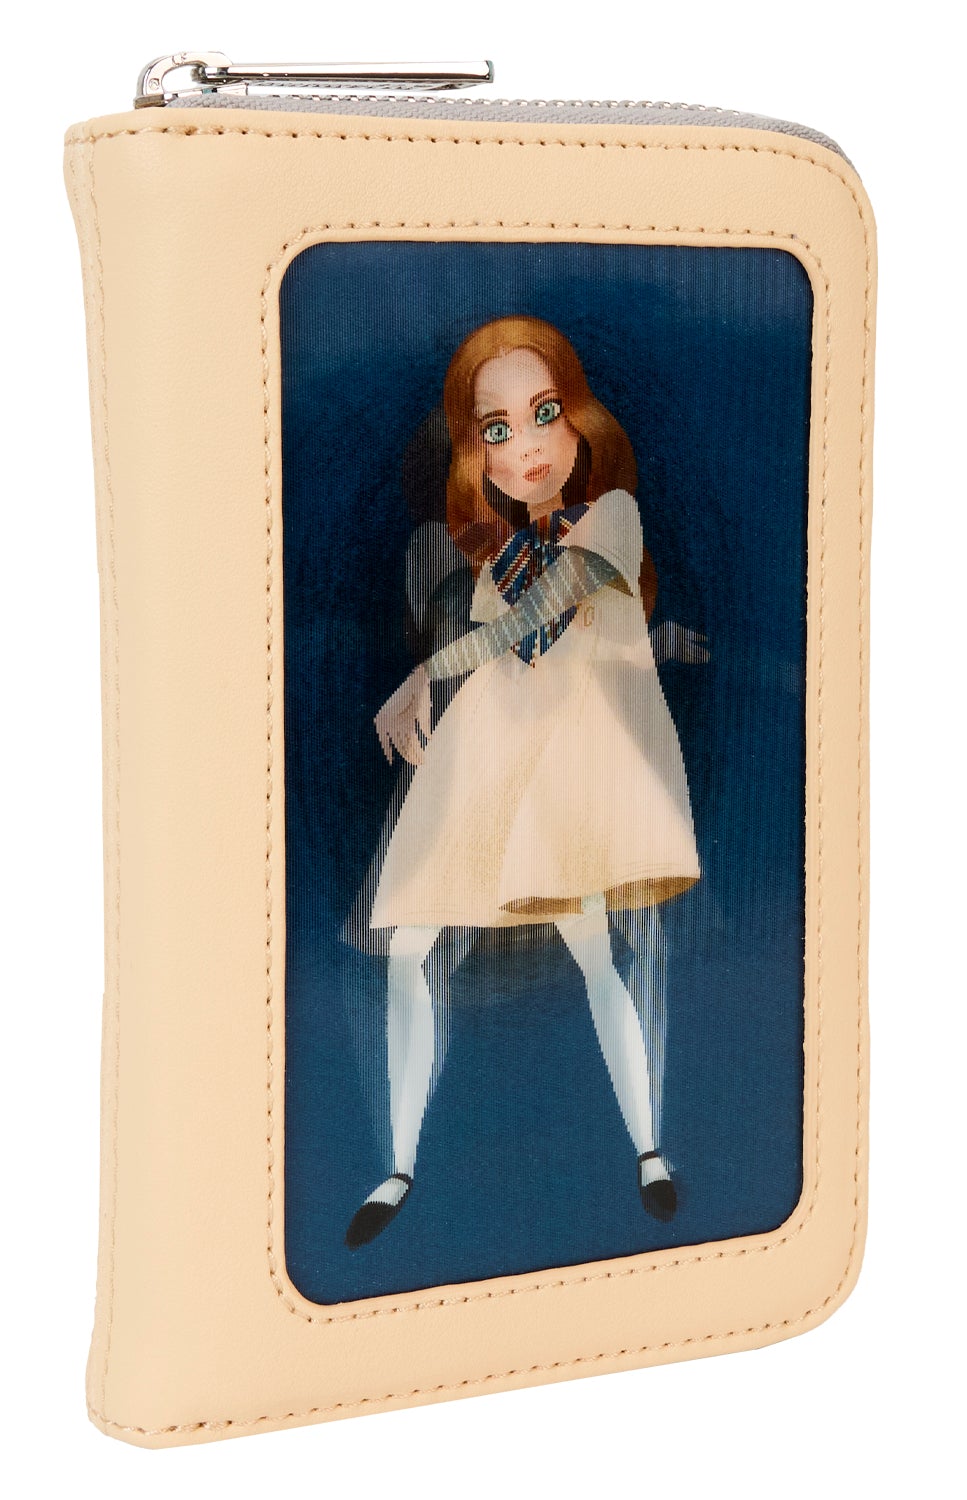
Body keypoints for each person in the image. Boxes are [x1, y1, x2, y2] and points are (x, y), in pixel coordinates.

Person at [346, 316, 702, 1248]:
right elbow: (511, 641)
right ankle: (398, 1166)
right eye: (496, 429)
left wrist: (422, 674)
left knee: (594, 947)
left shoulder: (610, 515)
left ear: (581, 419)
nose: (528, 446)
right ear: (479, 455)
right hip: (488, 760)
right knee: (412, 947)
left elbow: (538, 620)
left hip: (562, 769)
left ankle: (648, 1150)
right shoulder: (496, 555)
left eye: (545, 413)